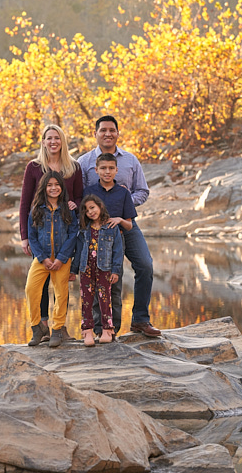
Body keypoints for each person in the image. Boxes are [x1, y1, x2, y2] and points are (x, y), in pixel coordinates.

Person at [78, 115, 161, 337]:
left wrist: (122, 202)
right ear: (95, 133)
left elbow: (142, 191)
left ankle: (141, 320)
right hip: (96, 229)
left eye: (112, 130)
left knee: (145, 265)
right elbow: (79, 195)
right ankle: (103, 327)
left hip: (125, 222)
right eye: (103, 130)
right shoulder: (83, 162)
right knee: (103, 274)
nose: (107, 134)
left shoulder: (131, 160)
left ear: (117, 133)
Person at [19, 124, 83, 338]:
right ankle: (42, 327)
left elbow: (79, 196)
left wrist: (74, 204)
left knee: (60, 285)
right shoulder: (34, 167)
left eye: (57, 138)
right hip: (40, 229)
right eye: (49, 138)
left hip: (64, 227)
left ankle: (59, 328)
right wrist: (25, 236)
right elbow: (25, 202)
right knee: (39, 282)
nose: (53, 141)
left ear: (62, 141)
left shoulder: (73, 167)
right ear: (44, 142)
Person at [83, 152, 136, 336]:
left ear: (116, 170)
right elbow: (82, 221)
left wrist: (120, 219)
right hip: (92, 244)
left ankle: (113, 328)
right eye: (103, 168)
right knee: (95, 289)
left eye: (111, 168)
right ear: (96, 170)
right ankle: (98, 329)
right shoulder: (89, 192)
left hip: (114, 244)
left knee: (114, 286)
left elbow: (129, 224)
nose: (107, 172)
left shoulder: (123, 193)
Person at [25, 171, 78, 348]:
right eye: (49, 185)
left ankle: (57, 329)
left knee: (61, 293)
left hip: (62, 259)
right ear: (44, 188)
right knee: (31, 289)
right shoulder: (36, 209)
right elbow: (32, 237)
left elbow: (73, 234)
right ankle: (37, 327)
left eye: (57, 185)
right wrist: (42, 257)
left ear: (62, 188)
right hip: (42, 259)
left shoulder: (68, 209)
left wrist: (62, 258)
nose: (54, 188)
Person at [71, 194, 123, 347]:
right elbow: (79, 250)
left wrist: (115, 271)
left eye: (92, 207)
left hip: (104, 269)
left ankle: (107, 329)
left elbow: (117, 251)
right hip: (86, 269)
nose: (90, 212)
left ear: (100, 206)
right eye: (87, 210)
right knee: (86, 301)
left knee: (105, 299)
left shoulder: (111, 228)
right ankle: (87, 331)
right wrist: (73, 270)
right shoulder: (84, 230)